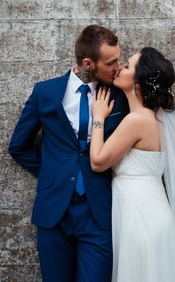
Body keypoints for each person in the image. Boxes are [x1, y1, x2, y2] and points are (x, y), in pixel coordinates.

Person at [8, 25, 129, 282]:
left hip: (99, 212)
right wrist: (53, 172)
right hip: (54, 212)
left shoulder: (120, 96)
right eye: (111, 62)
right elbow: (18, 146)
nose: (118, 66)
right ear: (88, 63)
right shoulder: (45, 93)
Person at [90, 47, 175, 282]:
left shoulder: (136, 120)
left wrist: (98, 117)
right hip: (151, 211)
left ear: (138, 83)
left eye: (127, 66)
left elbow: (98, 162)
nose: (119, 68)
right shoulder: (156, 120)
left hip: (139, 216)